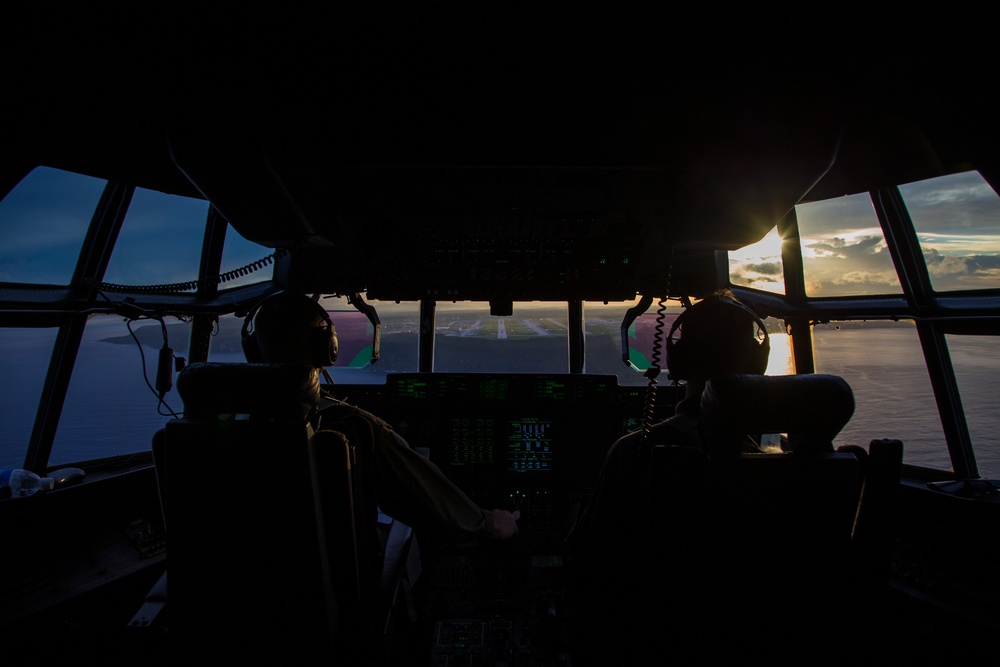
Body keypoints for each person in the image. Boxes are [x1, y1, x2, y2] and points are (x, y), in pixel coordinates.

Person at [563, 289, 771, 664]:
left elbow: (586, 563)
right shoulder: (776, 472)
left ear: (678, 360)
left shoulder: (634, 452)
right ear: (757, 365)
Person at [243, 290, 521, 547]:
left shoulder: (232, 417)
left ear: (253, 350)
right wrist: (487, 522)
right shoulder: (352, 428)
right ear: (327, 348)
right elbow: (425, 501)